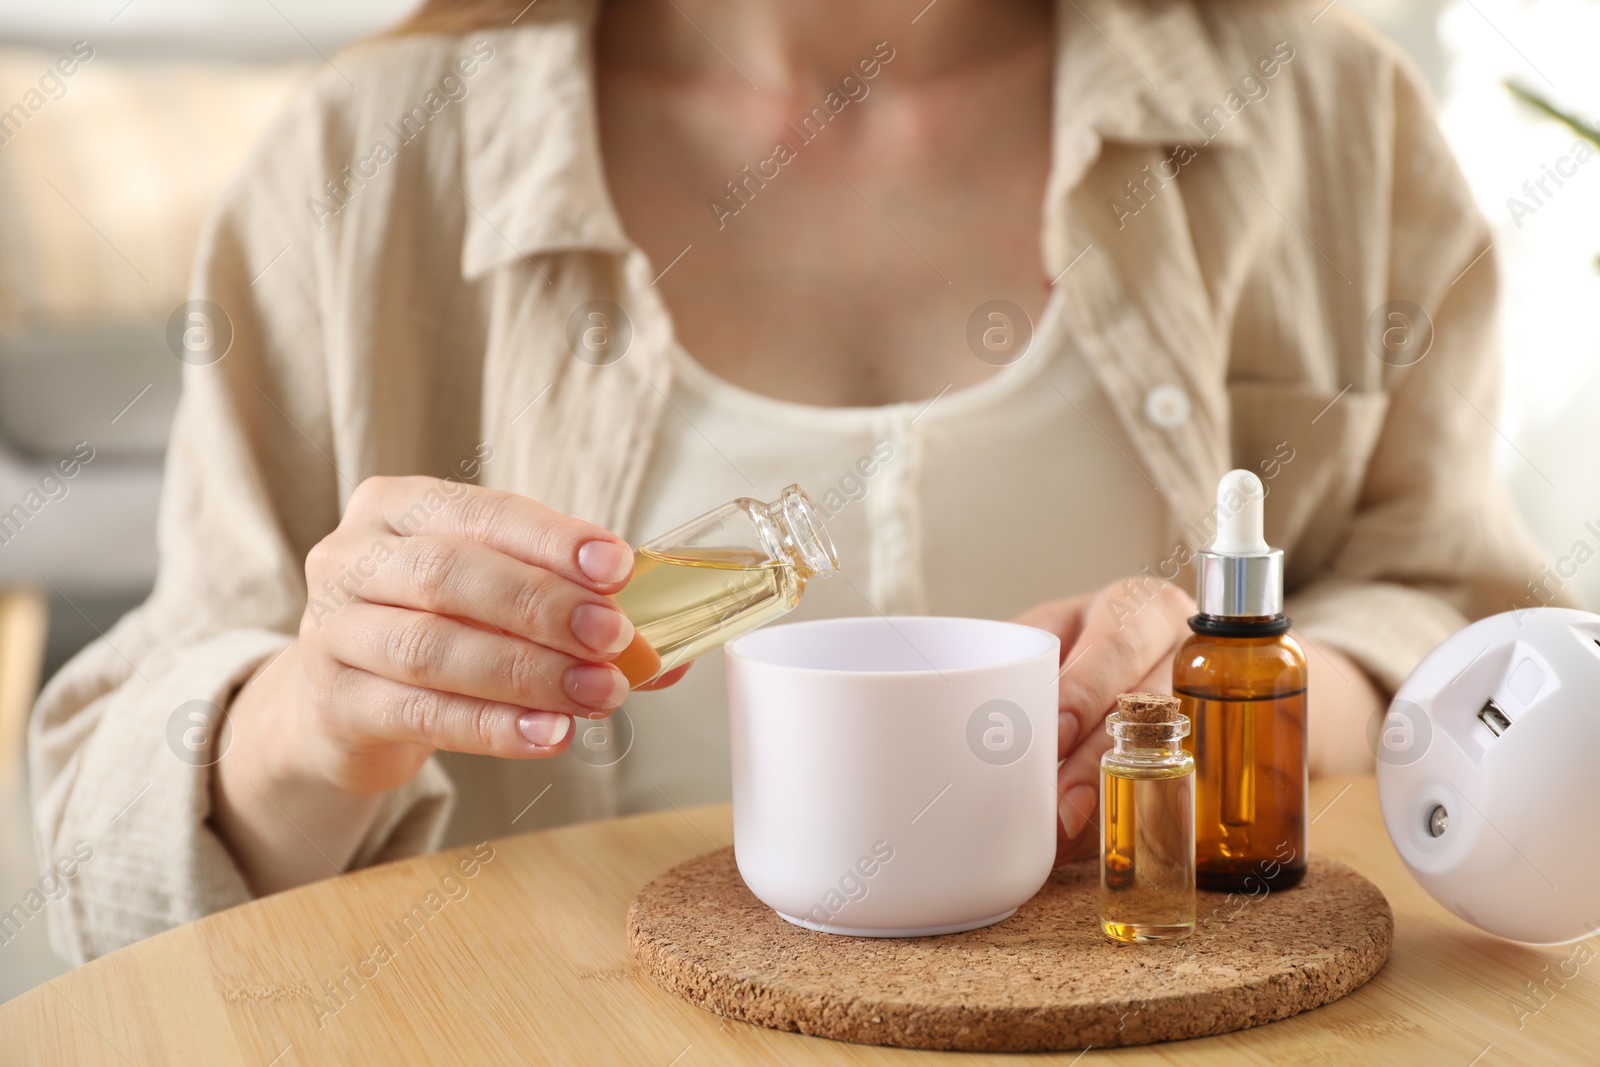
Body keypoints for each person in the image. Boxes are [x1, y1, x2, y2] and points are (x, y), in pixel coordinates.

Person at [30, 0, 1564, 963]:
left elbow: (1469, 613)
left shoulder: (1327, 117)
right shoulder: (362, 165)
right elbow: (106, 852)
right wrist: (314, 720)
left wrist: (1259, 705)